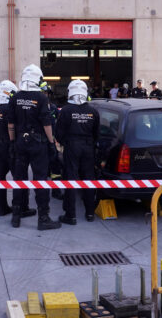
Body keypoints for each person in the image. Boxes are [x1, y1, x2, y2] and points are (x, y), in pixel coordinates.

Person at [7, 64, 61, 230]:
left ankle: (16, 216)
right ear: (38, 79)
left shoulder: (15, 97)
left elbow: (11, 123)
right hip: (38, 145)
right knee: (40, 181)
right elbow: (46, 124)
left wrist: (12, 142)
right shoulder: (41, 98)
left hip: (20, 143)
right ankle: (43, 218)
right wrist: (52, 143)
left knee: (19, 179)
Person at [57, 80, 100, 224]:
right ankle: (90, 213)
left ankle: (71, 215)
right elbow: (97, 133)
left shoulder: (66, 111)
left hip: (72, 147)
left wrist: (65, 144)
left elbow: (59, 133)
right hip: (88, 148)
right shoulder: (93, 111)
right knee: (88, 179)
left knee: (70, 179)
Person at [0, 80, 37, 218]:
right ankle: (22, 208)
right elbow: (15, 127)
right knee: (20, 177)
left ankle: (1, 207)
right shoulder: (9, 109)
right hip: (10, 147)